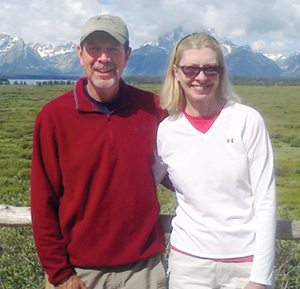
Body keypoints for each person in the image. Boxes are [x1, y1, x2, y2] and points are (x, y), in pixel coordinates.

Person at [31, 14, 168, 289]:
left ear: (127, 55)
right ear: (80, 54)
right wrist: (59, 274)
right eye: (94, 48)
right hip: (79, 273)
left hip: (144, 270)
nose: (103, 58)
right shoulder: (53, 117)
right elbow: (42, 200)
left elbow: (178, 173)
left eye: (113, 49)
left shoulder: (152, 108)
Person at [153, 32, 277, 289]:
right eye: (191, 69)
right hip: (188, 265)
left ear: (221, 73)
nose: (201, 77)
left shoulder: (246, 120)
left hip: (245, 262)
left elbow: (266, 201)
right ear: (176, 72)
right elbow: (141, 187)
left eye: (211, 69)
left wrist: (260, 277)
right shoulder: (167, 130)